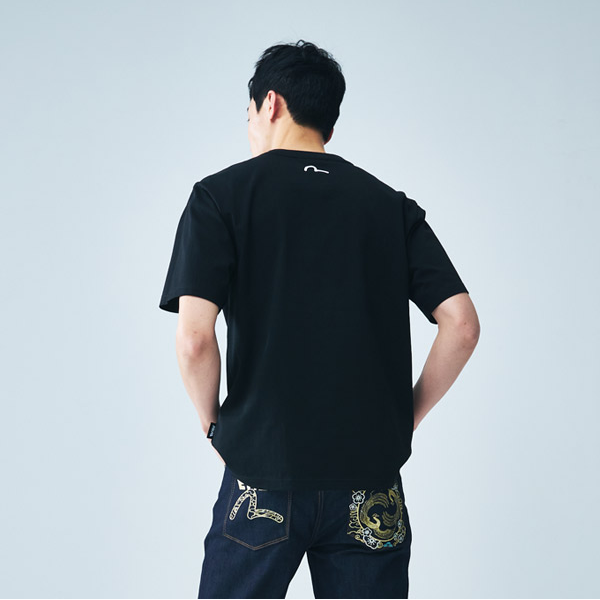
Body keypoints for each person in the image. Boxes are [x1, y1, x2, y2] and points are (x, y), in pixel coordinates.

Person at [159, 39, 480, 599]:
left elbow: (193, 339)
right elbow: (462, 323)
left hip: (264, 473)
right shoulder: (389, 206)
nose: (250, 128)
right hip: (369, 480)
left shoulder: (220, 197)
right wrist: (404, 418)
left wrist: (212, 423)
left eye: (248, 113)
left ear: (271, 103)